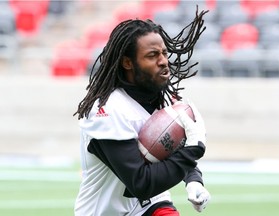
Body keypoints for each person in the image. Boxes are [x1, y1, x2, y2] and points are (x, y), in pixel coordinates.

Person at [73, 7, 211, 216]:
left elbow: (176, 149)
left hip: (151, 205)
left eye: (164, 53)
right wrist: (193, 151)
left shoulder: (167, 100)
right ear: (128, 62)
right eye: (152, 55)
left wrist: (193, 179)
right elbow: (141, 182)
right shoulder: (108, 110)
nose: (163, 61)